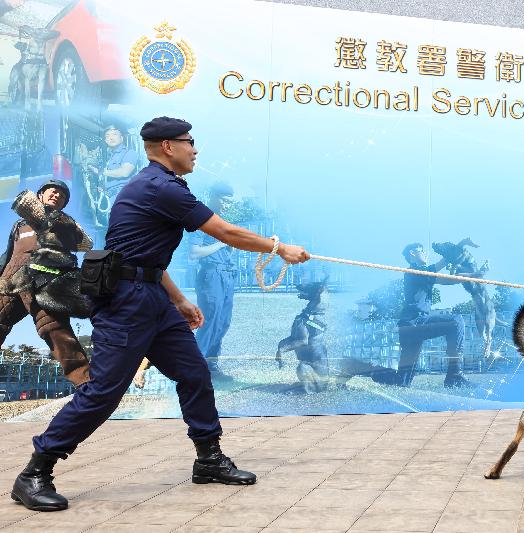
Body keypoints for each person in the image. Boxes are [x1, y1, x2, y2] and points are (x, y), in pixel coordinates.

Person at [11, 117, 310, 512]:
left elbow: (142, 258)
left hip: (149, 294)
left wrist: (180, 301)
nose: (195, 150)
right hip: (127, 302)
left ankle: (208, 459)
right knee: (104, 391)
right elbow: (224, 232)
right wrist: (278, 248)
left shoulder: (156, 187)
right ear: (168, 146)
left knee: (194, 374)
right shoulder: (159, 186)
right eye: (190, 142)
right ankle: (35, 471)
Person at [0, 180, 91, 386]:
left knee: (55, 329)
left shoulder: (66, 224)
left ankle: (87, 384)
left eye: (62, 195)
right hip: (9, 280)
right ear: (40, 195)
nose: (57, 195)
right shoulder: (19, 224)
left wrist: (50, 219)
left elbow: (81, 245)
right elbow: (7, 253)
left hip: (43, 279)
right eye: (53, 191)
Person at [395, 243, 477, 388]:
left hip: (409, 328)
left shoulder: (422, 275)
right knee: (456, 321)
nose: (426, 254)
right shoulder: (414, 271)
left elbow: (447, 280)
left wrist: (474, 276)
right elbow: (438, 267)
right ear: (412, 253)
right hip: (414, 323)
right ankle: (455, 376)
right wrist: (449, 256)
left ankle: (354, 368)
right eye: (422, 251)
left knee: (402, 380)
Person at [190, 181, 236, 370]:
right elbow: (194, 253)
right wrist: (221, 244)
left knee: (223, 322)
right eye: (223, 200)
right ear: (213, 197)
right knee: (209, 322)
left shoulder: (223, 221)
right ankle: (197, 368)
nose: (226, 205)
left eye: (229, 202)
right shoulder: (202, 219)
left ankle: (212, 367)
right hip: (212, 276)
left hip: (226, 274)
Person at [85, 125, 138, 226]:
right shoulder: (109, 158)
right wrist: (103, 186)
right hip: (111, 197)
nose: (111, 137)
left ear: (121, 138)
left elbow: (124, 172)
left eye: (114, 134)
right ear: (105, 140)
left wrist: (100, 171)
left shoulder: (130, 153)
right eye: (107, 136)